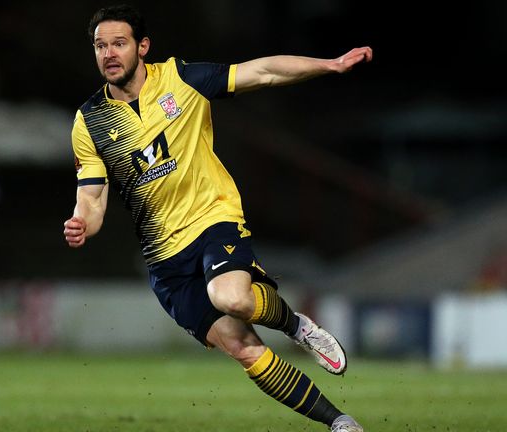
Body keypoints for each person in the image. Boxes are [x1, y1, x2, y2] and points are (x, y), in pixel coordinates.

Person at [63, 5, 372, 432]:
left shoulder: (183, 80)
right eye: (101, 45)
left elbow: (262, 71)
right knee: (242, 346)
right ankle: (340, 423)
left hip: (212, 219)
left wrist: (329, 65)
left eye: (119, 43)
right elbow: (92, 200)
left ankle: (296, 325)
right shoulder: (89, 121)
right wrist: (82, 223)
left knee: (233, 297)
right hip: (164, 260)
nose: (109, 53)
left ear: (143, 47)